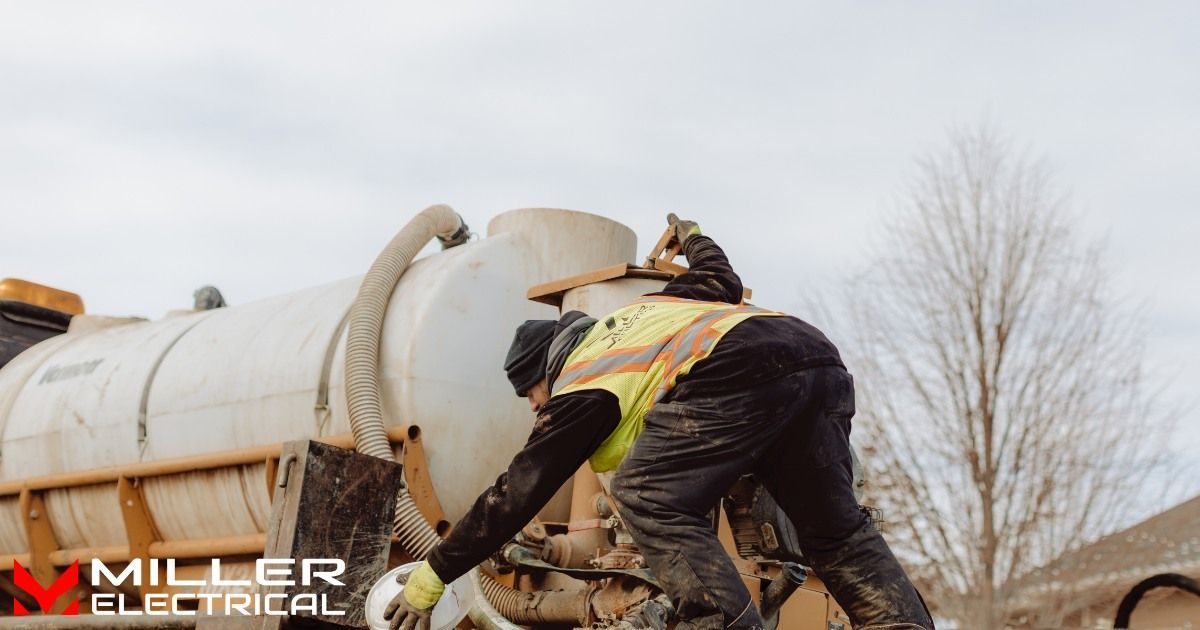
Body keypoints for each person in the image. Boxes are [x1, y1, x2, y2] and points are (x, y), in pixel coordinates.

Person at [385, 215, 934, 630]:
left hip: (737, 368)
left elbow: (514, 495)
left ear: (549, 368)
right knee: (837, 533)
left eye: (531, 394)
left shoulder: (584, 377)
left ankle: (715, 620)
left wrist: (431, 578)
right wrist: (691, 235)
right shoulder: (653, 308)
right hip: (816, 359)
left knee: (644, 492)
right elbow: (720, 276)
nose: (535, 409)